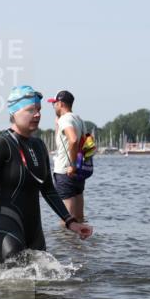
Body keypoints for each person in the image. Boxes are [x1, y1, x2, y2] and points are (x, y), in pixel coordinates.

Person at [0, 85, 93, 263]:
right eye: (30, 110)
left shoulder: (39, 146)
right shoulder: (0, 145)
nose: (37, 115)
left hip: (34, 230)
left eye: (39, 110)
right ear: (14, 112)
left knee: (44, 284)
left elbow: (48, 189)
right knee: (14, 281)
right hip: (6, 226)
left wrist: (71, 223)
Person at [49, 90, 87, 224]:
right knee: (79, 218)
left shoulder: (65, 119)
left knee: (66, 221)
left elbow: (73, 140)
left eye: (54, 104)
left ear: (60, 103)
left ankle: (65, 245)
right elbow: (84, 142)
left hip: (66, 172)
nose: (53, 107)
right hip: (78, 173)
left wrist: (72, 164)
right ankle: (78, 245)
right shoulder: (78, 119)